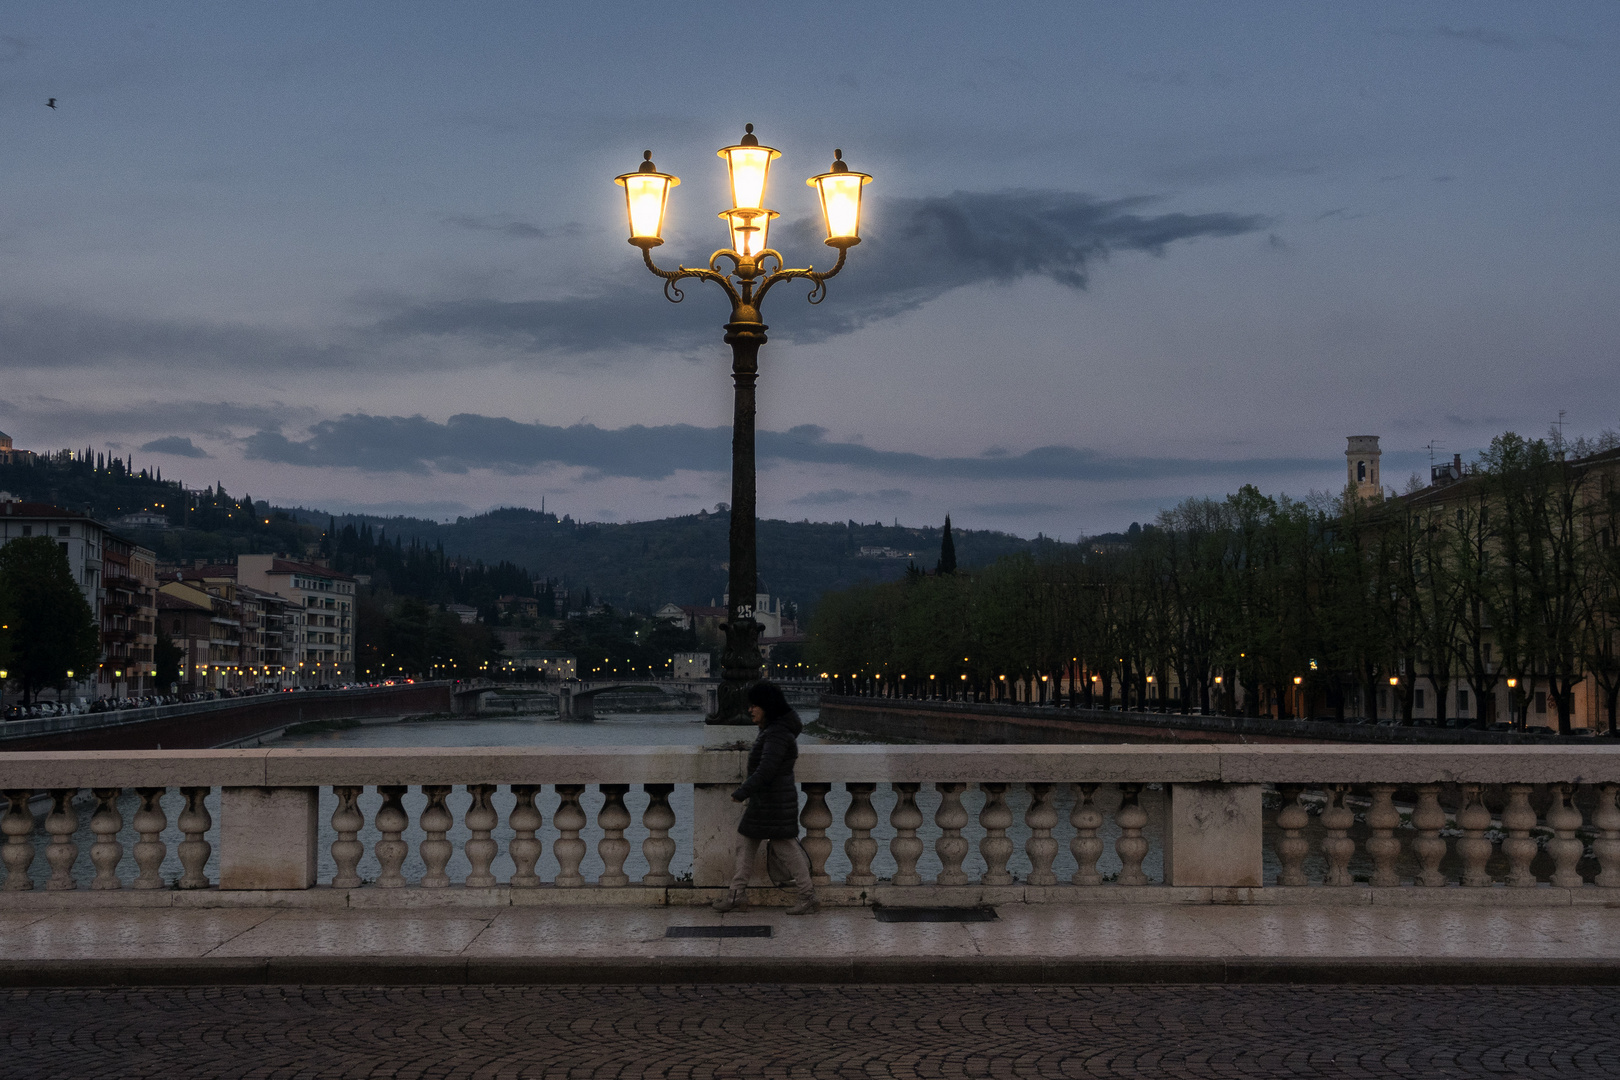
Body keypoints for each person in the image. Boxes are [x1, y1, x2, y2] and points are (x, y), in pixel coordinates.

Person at [713, 680, 819, 915]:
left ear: (767, 707)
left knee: (786, 848)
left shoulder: (777, 734)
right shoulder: (774, 731)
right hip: (769, 802)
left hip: (773, 803)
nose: (750, 709)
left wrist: (742, 792)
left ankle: (807, 895)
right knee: (747, 844)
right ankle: (736, 894)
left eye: (755, 705)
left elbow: (767, 769)